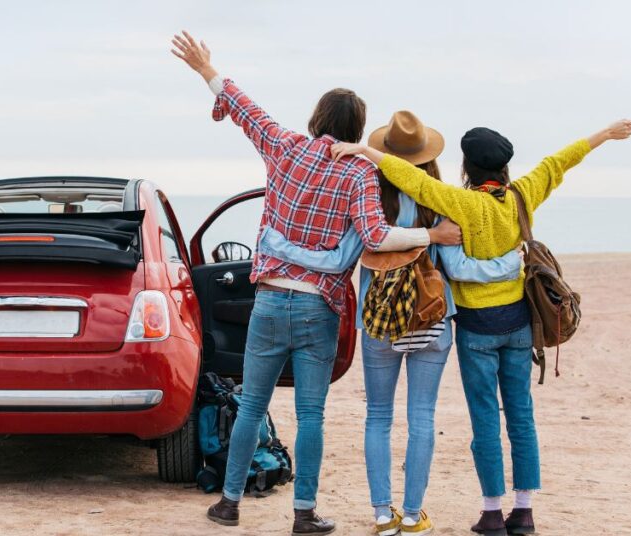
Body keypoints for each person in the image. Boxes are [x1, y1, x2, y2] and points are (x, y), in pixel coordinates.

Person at [170, 32, 464, 535]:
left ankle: (229, 504)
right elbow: (375, 235)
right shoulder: (357, 175)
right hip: (317, 308)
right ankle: (303, 513)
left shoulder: (284, 147)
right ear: (357, 130)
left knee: (251, 408)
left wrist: (206, 69)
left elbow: (244, 108)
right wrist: (431, 233)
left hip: (267, 303)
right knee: (310, 416)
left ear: (315, 119)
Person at [329, 119, 631, 535]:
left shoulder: (460, 203)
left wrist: (367, 152)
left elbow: (411, 180)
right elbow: (559, 162)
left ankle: (492, 512)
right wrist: (603, 135)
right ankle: (524, 512)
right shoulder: (522, 196)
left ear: (467, 169)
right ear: (505, 168)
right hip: (518, 326)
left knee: (485, 421)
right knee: (522, 416)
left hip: (477, 331)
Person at [256, 110, 523, 536]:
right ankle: (413, 515)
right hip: (432, 320)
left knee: (377, 417)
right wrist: (513, 263)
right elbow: (456, 264)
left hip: (379, 320)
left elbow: (346, 251)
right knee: (422, 417)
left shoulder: (367, 193)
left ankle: (383, 515)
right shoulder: (441, 200)